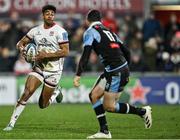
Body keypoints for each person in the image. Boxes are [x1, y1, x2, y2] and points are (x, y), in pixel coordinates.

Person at [73, 10, 152, 139]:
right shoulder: (109, 31)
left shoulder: (90, 32)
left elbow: (86, 55)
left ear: (87, 20)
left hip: (116, 71)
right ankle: (104, 131)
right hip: (116, 69)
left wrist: (78, 74)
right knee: (93, 95)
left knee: (109, 107)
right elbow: (126, 51)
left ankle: (142, 112)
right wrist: (128, 69)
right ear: (101, 20)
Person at [3, 5, 69, 131]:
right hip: (38, 67)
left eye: (52, 14)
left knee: (42, 105)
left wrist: (46, 54)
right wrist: (23, 50)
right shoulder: (35, 31)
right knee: (27, 93)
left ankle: (56, 92)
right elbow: (20, 43)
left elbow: (65, 52)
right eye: (47, 13)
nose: (50, 15)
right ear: (43, 15)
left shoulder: (61, 32)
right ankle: (11, 123)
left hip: (54, 71)